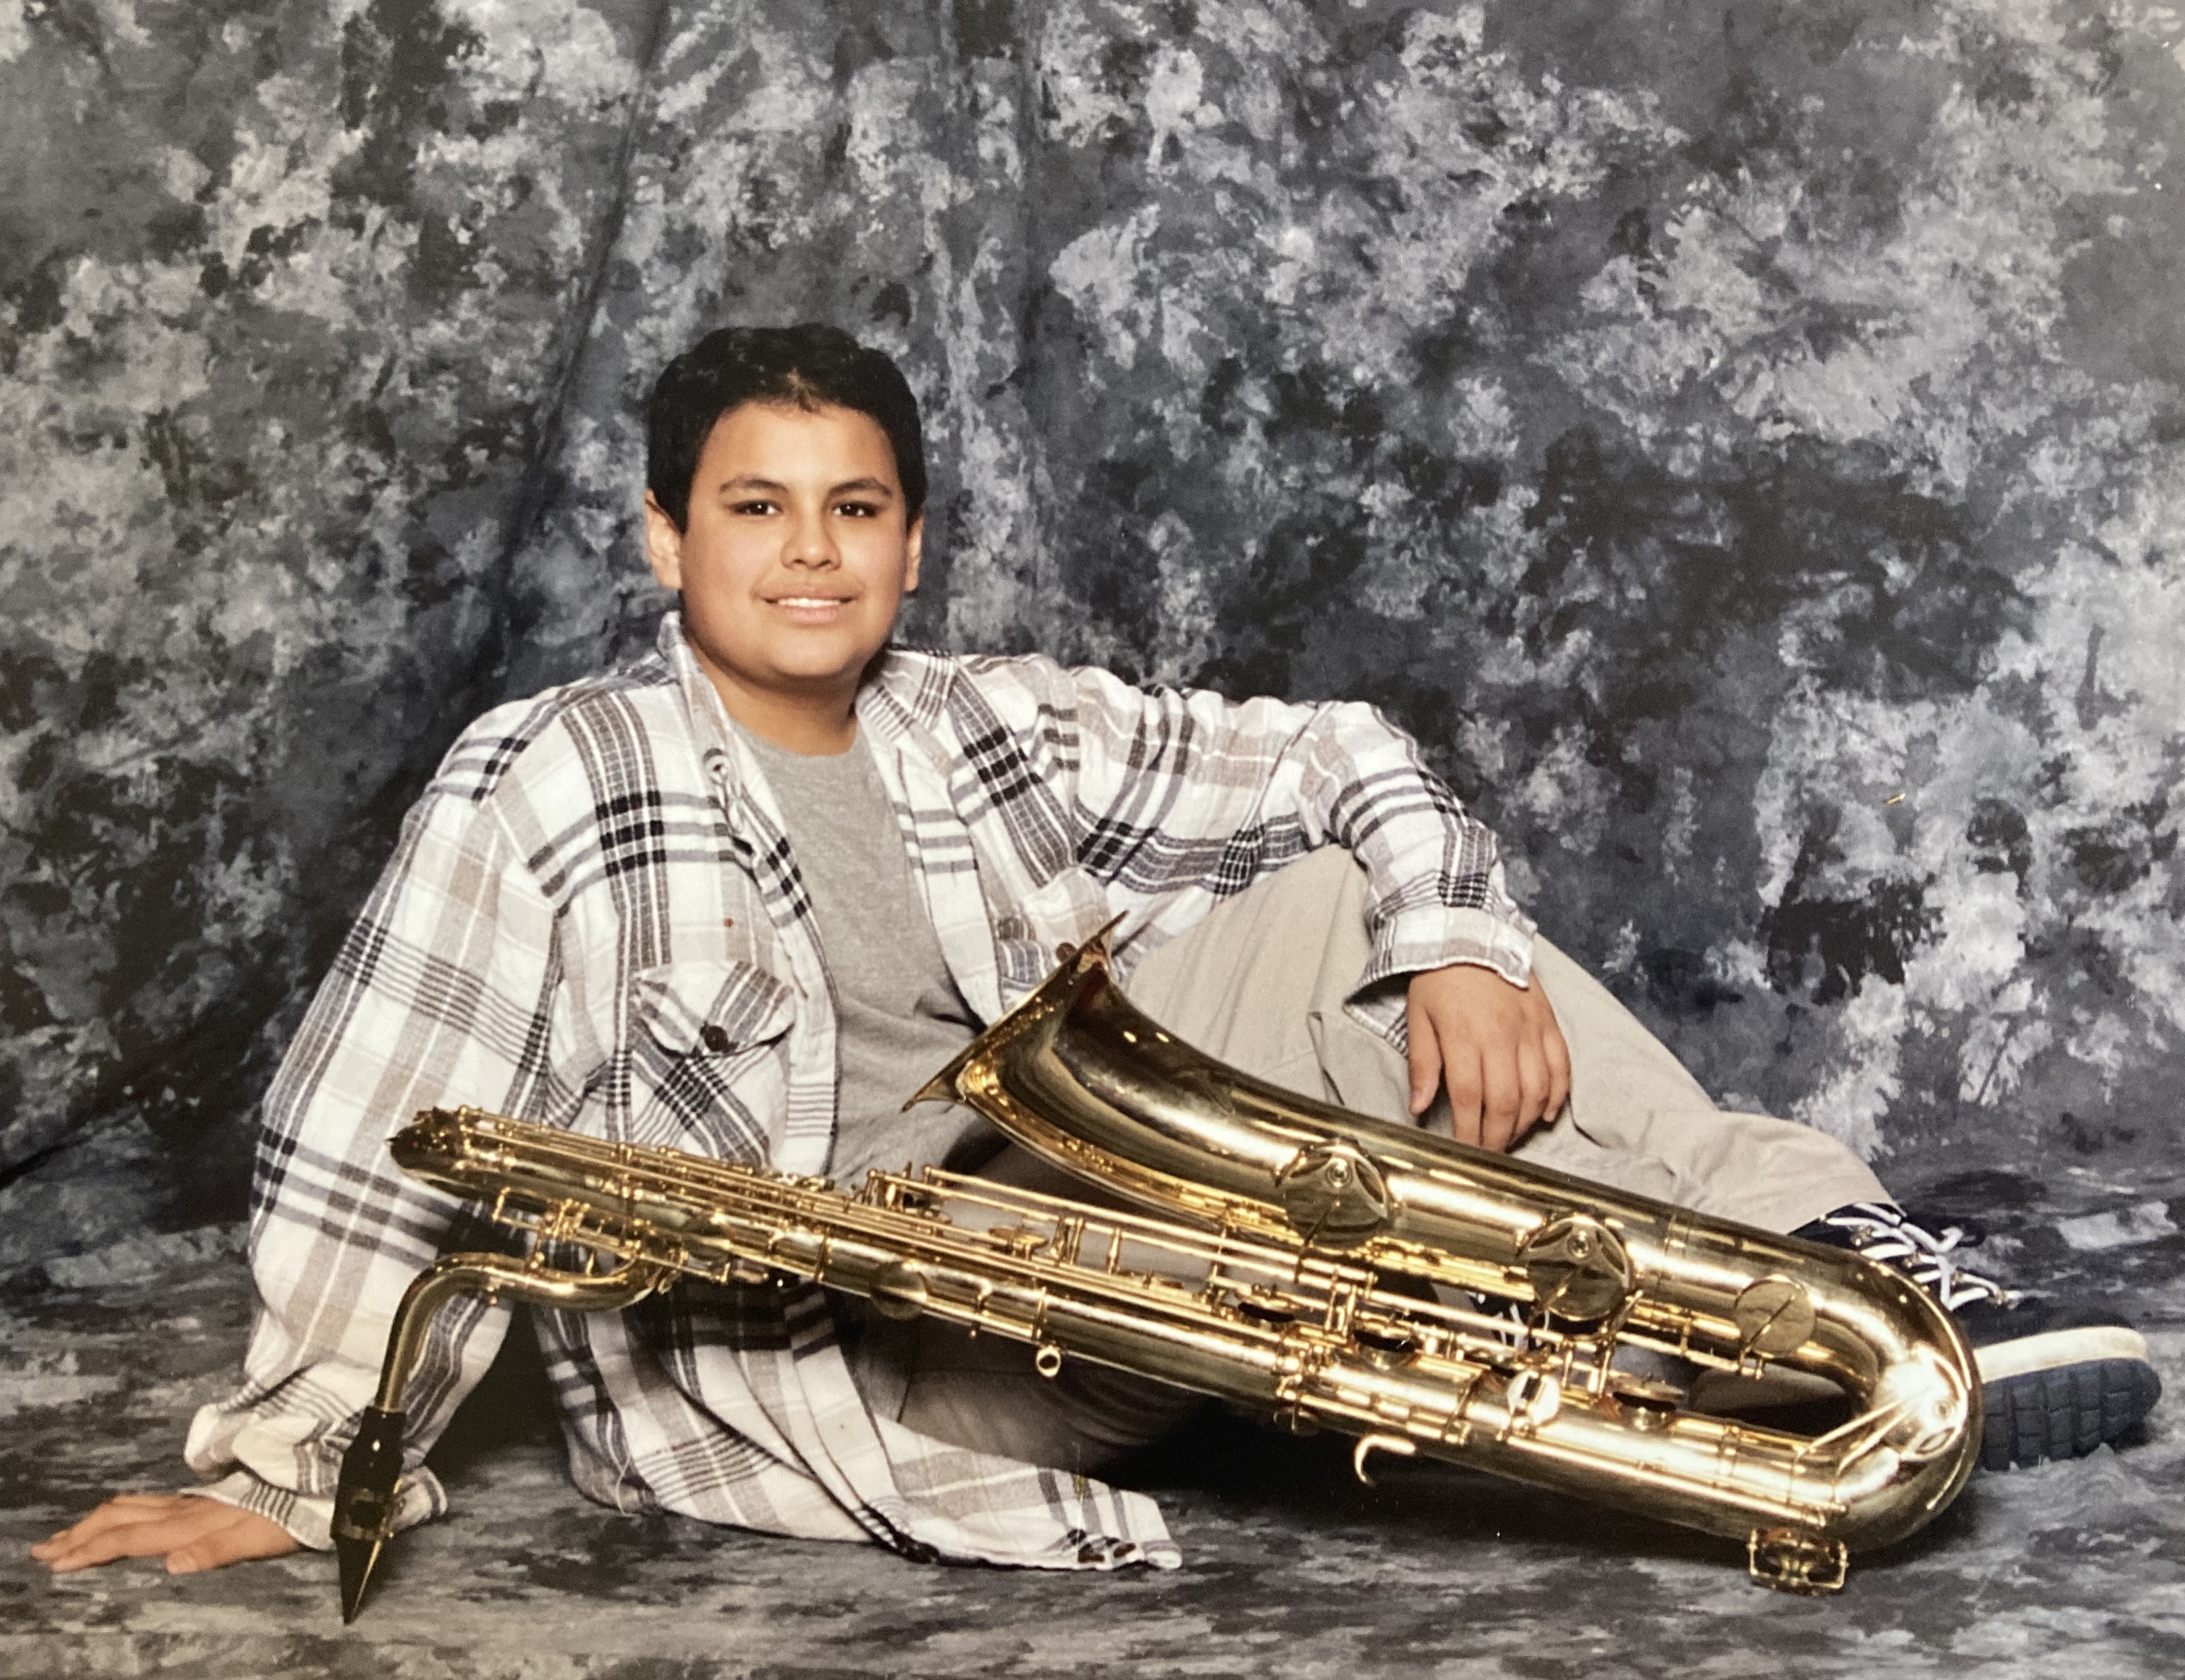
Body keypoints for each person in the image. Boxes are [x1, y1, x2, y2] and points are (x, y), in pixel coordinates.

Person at [33, 325, 2159, 1583]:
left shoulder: (979, 722)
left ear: (909, 542)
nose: (810, 552)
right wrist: (301, 1470)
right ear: (665, 537)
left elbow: (1342, 754)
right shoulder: (554, 773)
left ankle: (1856, 1277)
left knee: (1344, 909)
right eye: (755, 508)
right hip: (868, 1341)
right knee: (1263, 1221)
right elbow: (384, 1116)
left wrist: (1452, 942)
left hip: (1080, 1199)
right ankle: (1734, 1361)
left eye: (855, 509)